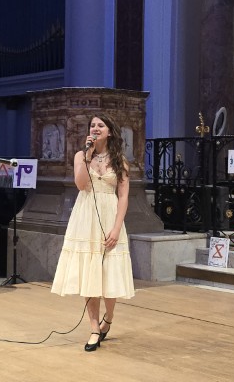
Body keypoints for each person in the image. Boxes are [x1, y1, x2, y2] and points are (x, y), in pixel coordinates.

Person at [51, 113, 135, 352]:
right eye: (92, 125)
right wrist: (87, 156)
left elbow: (123, 196)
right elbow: (80, 184)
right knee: (90, 273)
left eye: (101, 125)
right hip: (85, 215)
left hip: (110, 216)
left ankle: (109, 317)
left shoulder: (120, 160)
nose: (96, 128)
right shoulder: (81, 155)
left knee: (109, 272)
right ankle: (94, 329)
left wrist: (116, 228)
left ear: (109, 131)